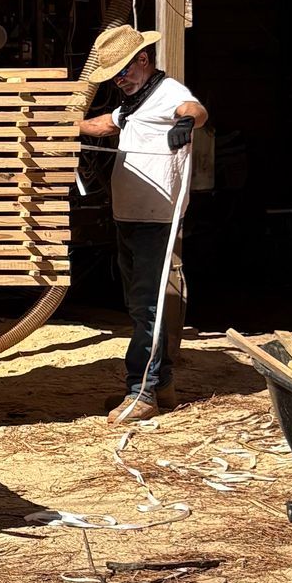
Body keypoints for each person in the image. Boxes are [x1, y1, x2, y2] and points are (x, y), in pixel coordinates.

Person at [77, 23, 208, 422]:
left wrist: (186, 123)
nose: (120, 80)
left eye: (125, 71)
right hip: (129, 216)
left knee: (147, 306)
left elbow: (194, 109)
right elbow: (102, 125)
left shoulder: (169, 93)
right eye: (114, 75)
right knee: (139, 304)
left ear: (143, 60)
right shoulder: (134, 100)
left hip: (156, 218)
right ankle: (162, 384)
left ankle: (142, 392)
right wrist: (59, 122)